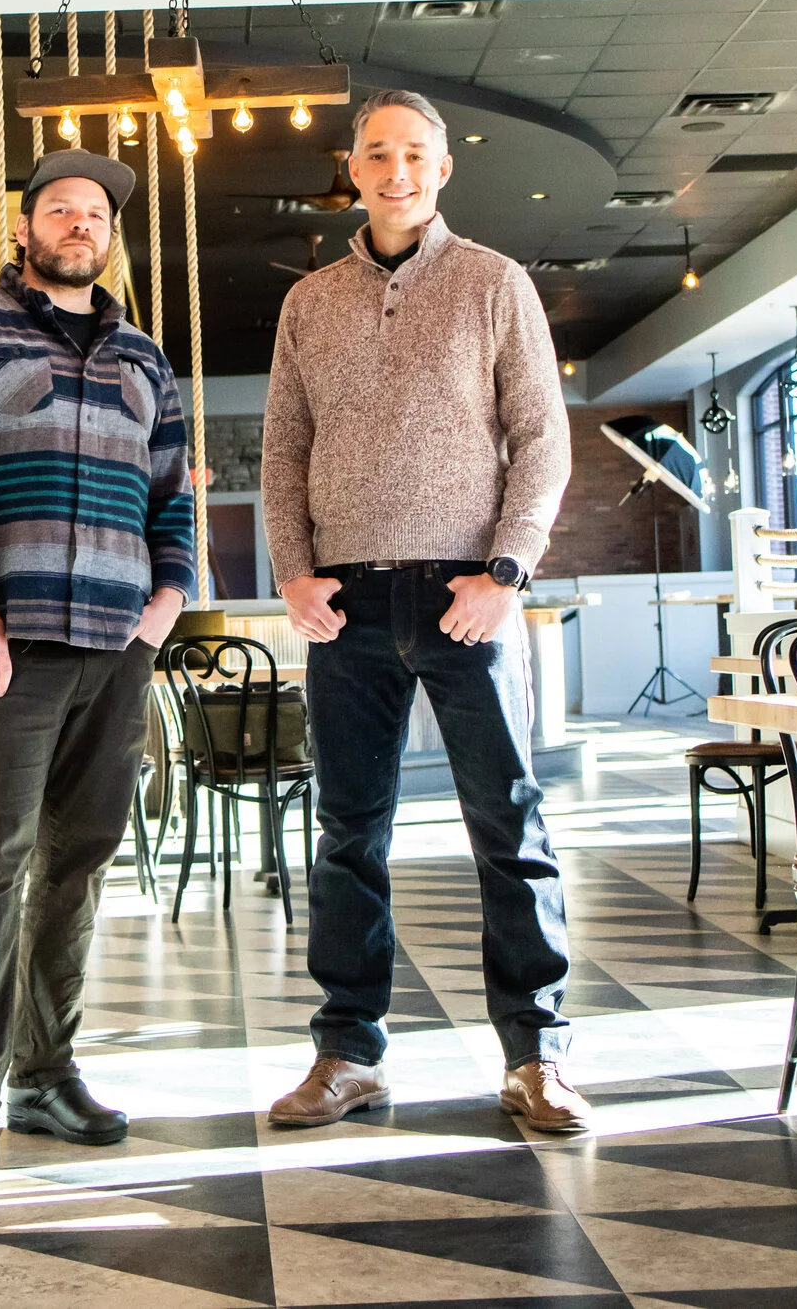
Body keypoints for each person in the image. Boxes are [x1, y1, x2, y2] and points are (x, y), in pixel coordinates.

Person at [259, 89, 589, 1132]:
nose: (395, 170)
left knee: (509, 822)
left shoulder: (494, 281)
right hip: (345, 601)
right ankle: (348, 1051)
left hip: (466, 595)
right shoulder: (309, 300)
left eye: (413, 153)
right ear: (352, 169)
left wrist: (508, 570)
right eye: (376, 153)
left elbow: (543, 436)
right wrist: (293, 570)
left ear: (442, 169)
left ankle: (536, 1054)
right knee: (347, 834)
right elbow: (283, 449)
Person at [0, 147, 194, 1185]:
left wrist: (167, 599)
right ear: (23, 227)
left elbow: (171, 490)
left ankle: (44, 1072)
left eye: (96, 213)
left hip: (116, 643)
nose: (80, 224)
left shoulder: (144, 359)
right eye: (60, 208)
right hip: (5, 640)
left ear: (110, 236)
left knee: (80, 860)